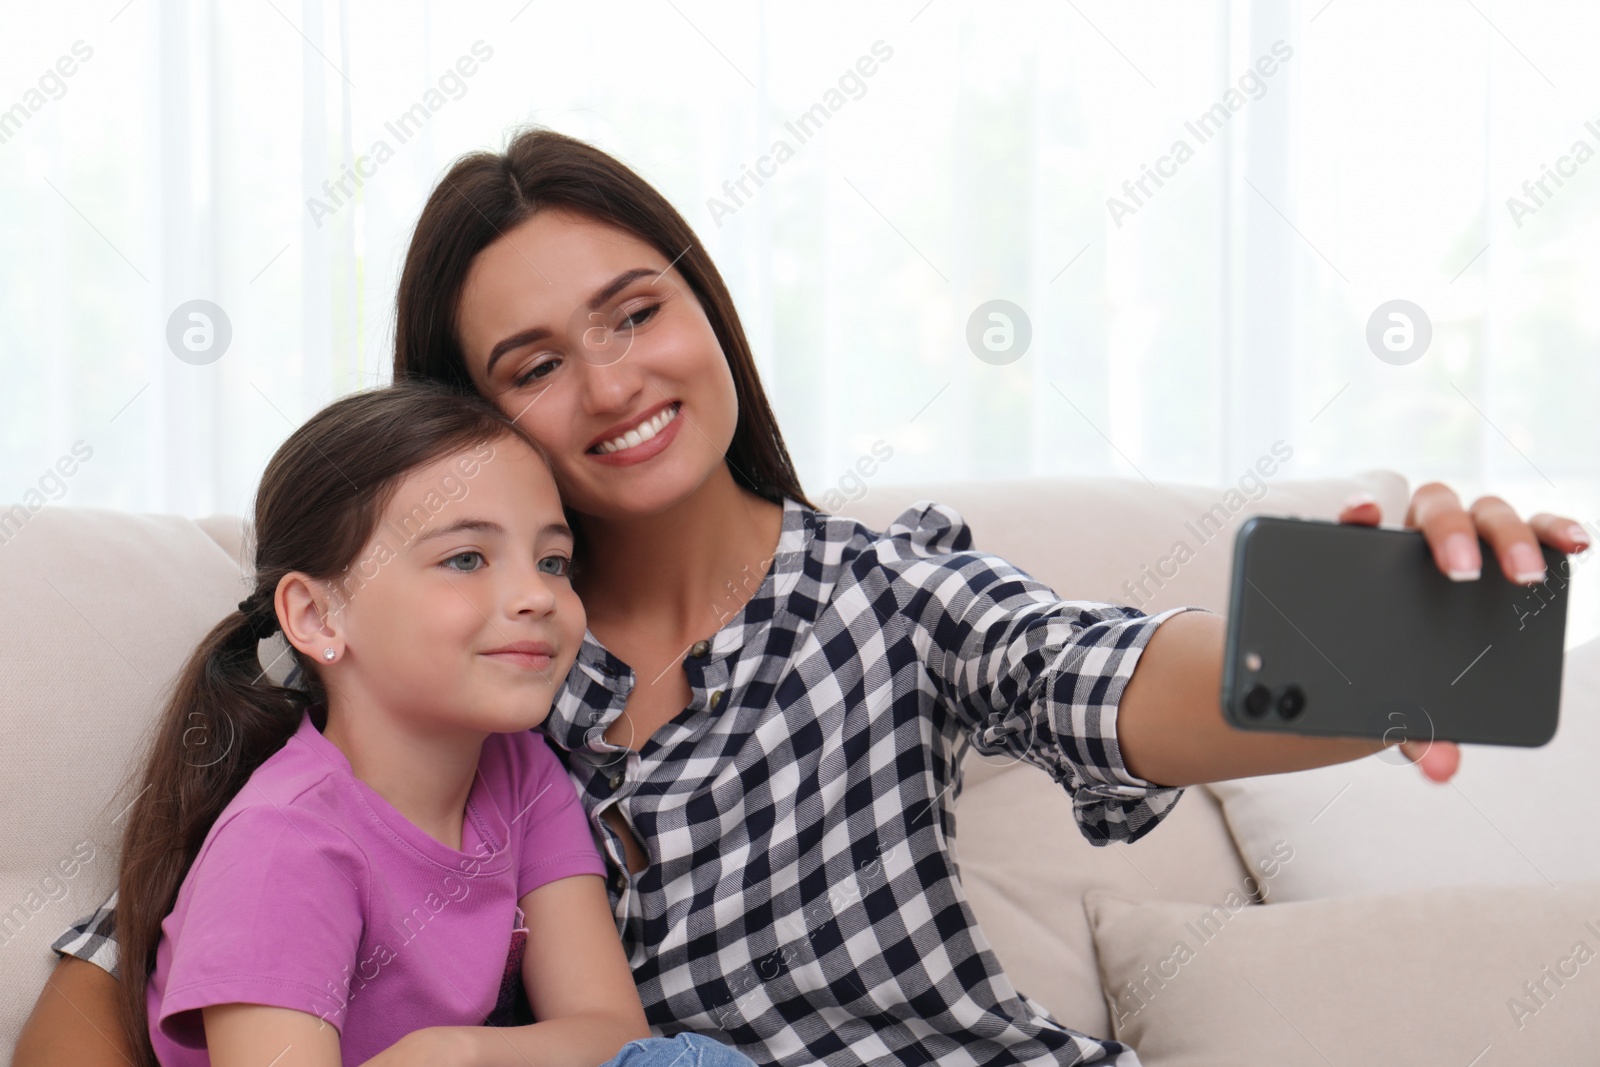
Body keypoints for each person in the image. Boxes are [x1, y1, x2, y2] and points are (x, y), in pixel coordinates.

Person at [17, 129, 1588, 1067]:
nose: (616, 382)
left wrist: (1385, 639)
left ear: (709, 309)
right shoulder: (457, 673)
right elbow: (138, 951)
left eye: (639, 311)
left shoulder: (891, 589)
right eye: (535, 363)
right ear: (473, 424)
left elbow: (1119, 676)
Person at [91, 382, 755, 1067]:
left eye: (553, 562)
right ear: (319, 617)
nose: (537, 595)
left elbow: (614, 1031)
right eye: (466, 558)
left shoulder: (521, 771)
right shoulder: (281, 844)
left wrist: (455, 1051)